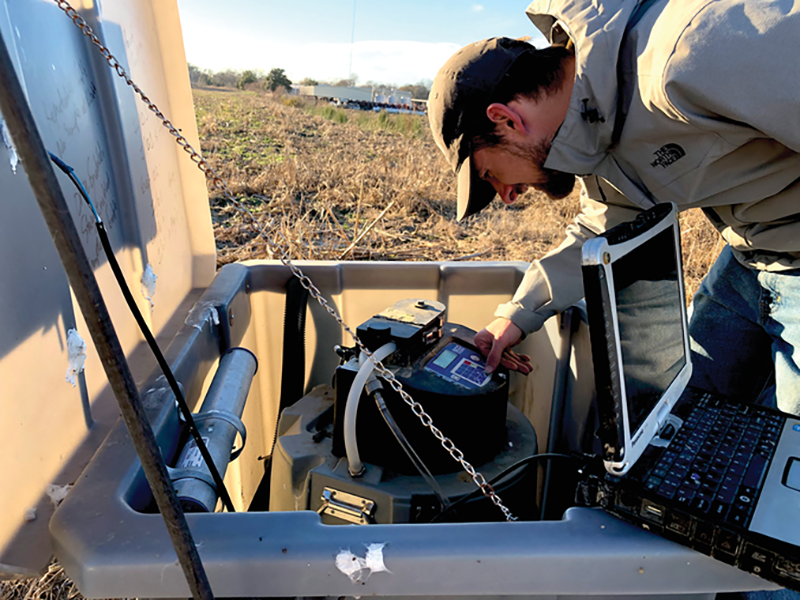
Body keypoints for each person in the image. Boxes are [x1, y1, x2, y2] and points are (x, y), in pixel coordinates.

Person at [428, 0, 800, 419]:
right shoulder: (595, 135)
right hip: (752, 257)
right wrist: (517, 315)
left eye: (490, 174)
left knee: (790, 448)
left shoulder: (689, 54)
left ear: (506, 120)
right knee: (681, 416)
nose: (508, 195)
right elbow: (601, 228)